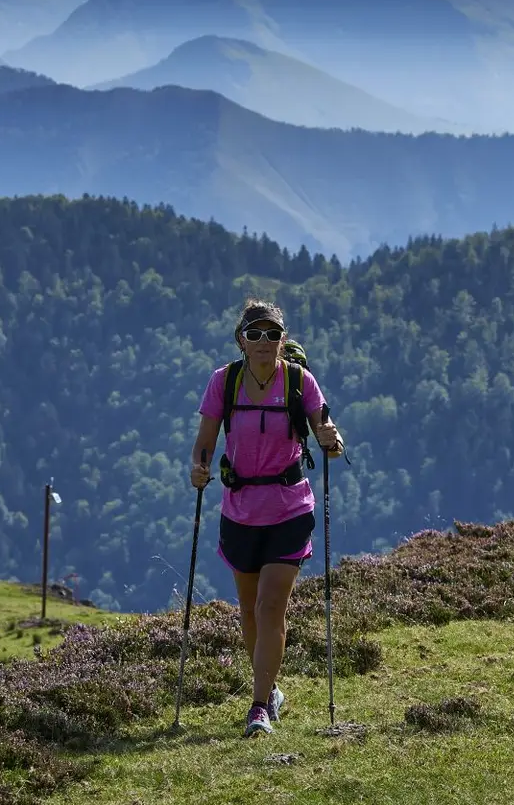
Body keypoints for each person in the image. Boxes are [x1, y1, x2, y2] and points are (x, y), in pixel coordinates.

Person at [190, 299, 344, 737]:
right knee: (250, 613)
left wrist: (332, 440)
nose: (263, 342)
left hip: (290, 508)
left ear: (282, 339)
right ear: (241, 339)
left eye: (271, 334)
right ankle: (271, 688)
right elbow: (204, 441)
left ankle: (258, 708)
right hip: (240, 510)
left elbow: (327, 435)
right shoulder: (224, 382)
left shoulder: (300, 381)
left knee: (271, 604)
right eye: (254, 334)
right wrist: (199, 468)